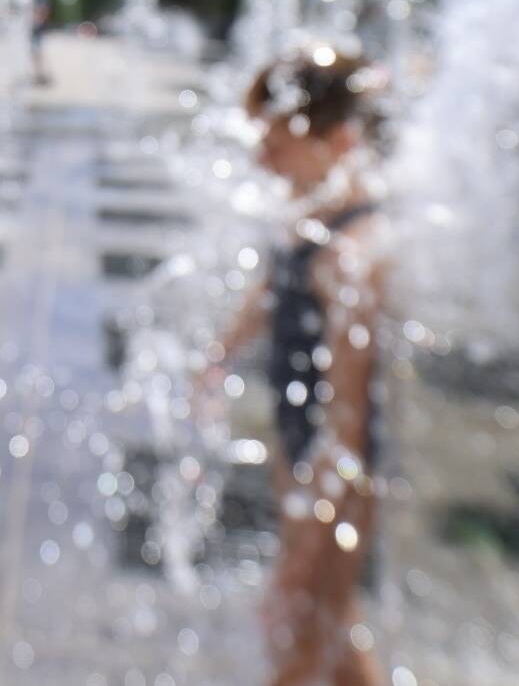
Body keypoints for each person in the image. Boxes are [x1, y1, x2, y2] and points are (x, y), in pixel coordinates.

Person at [206, 47, 388, 686]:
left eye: (275, 140)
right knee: (335, 631)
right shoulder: (312, 212)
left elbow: (351, 422)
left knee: (301, 640)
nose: (261, 159)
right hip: (303, 453)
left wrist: (311, 535)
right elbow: (271, 288)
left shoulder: (352, 256)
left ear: (334, 140)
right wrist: (220, 355)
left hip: (339, 475)